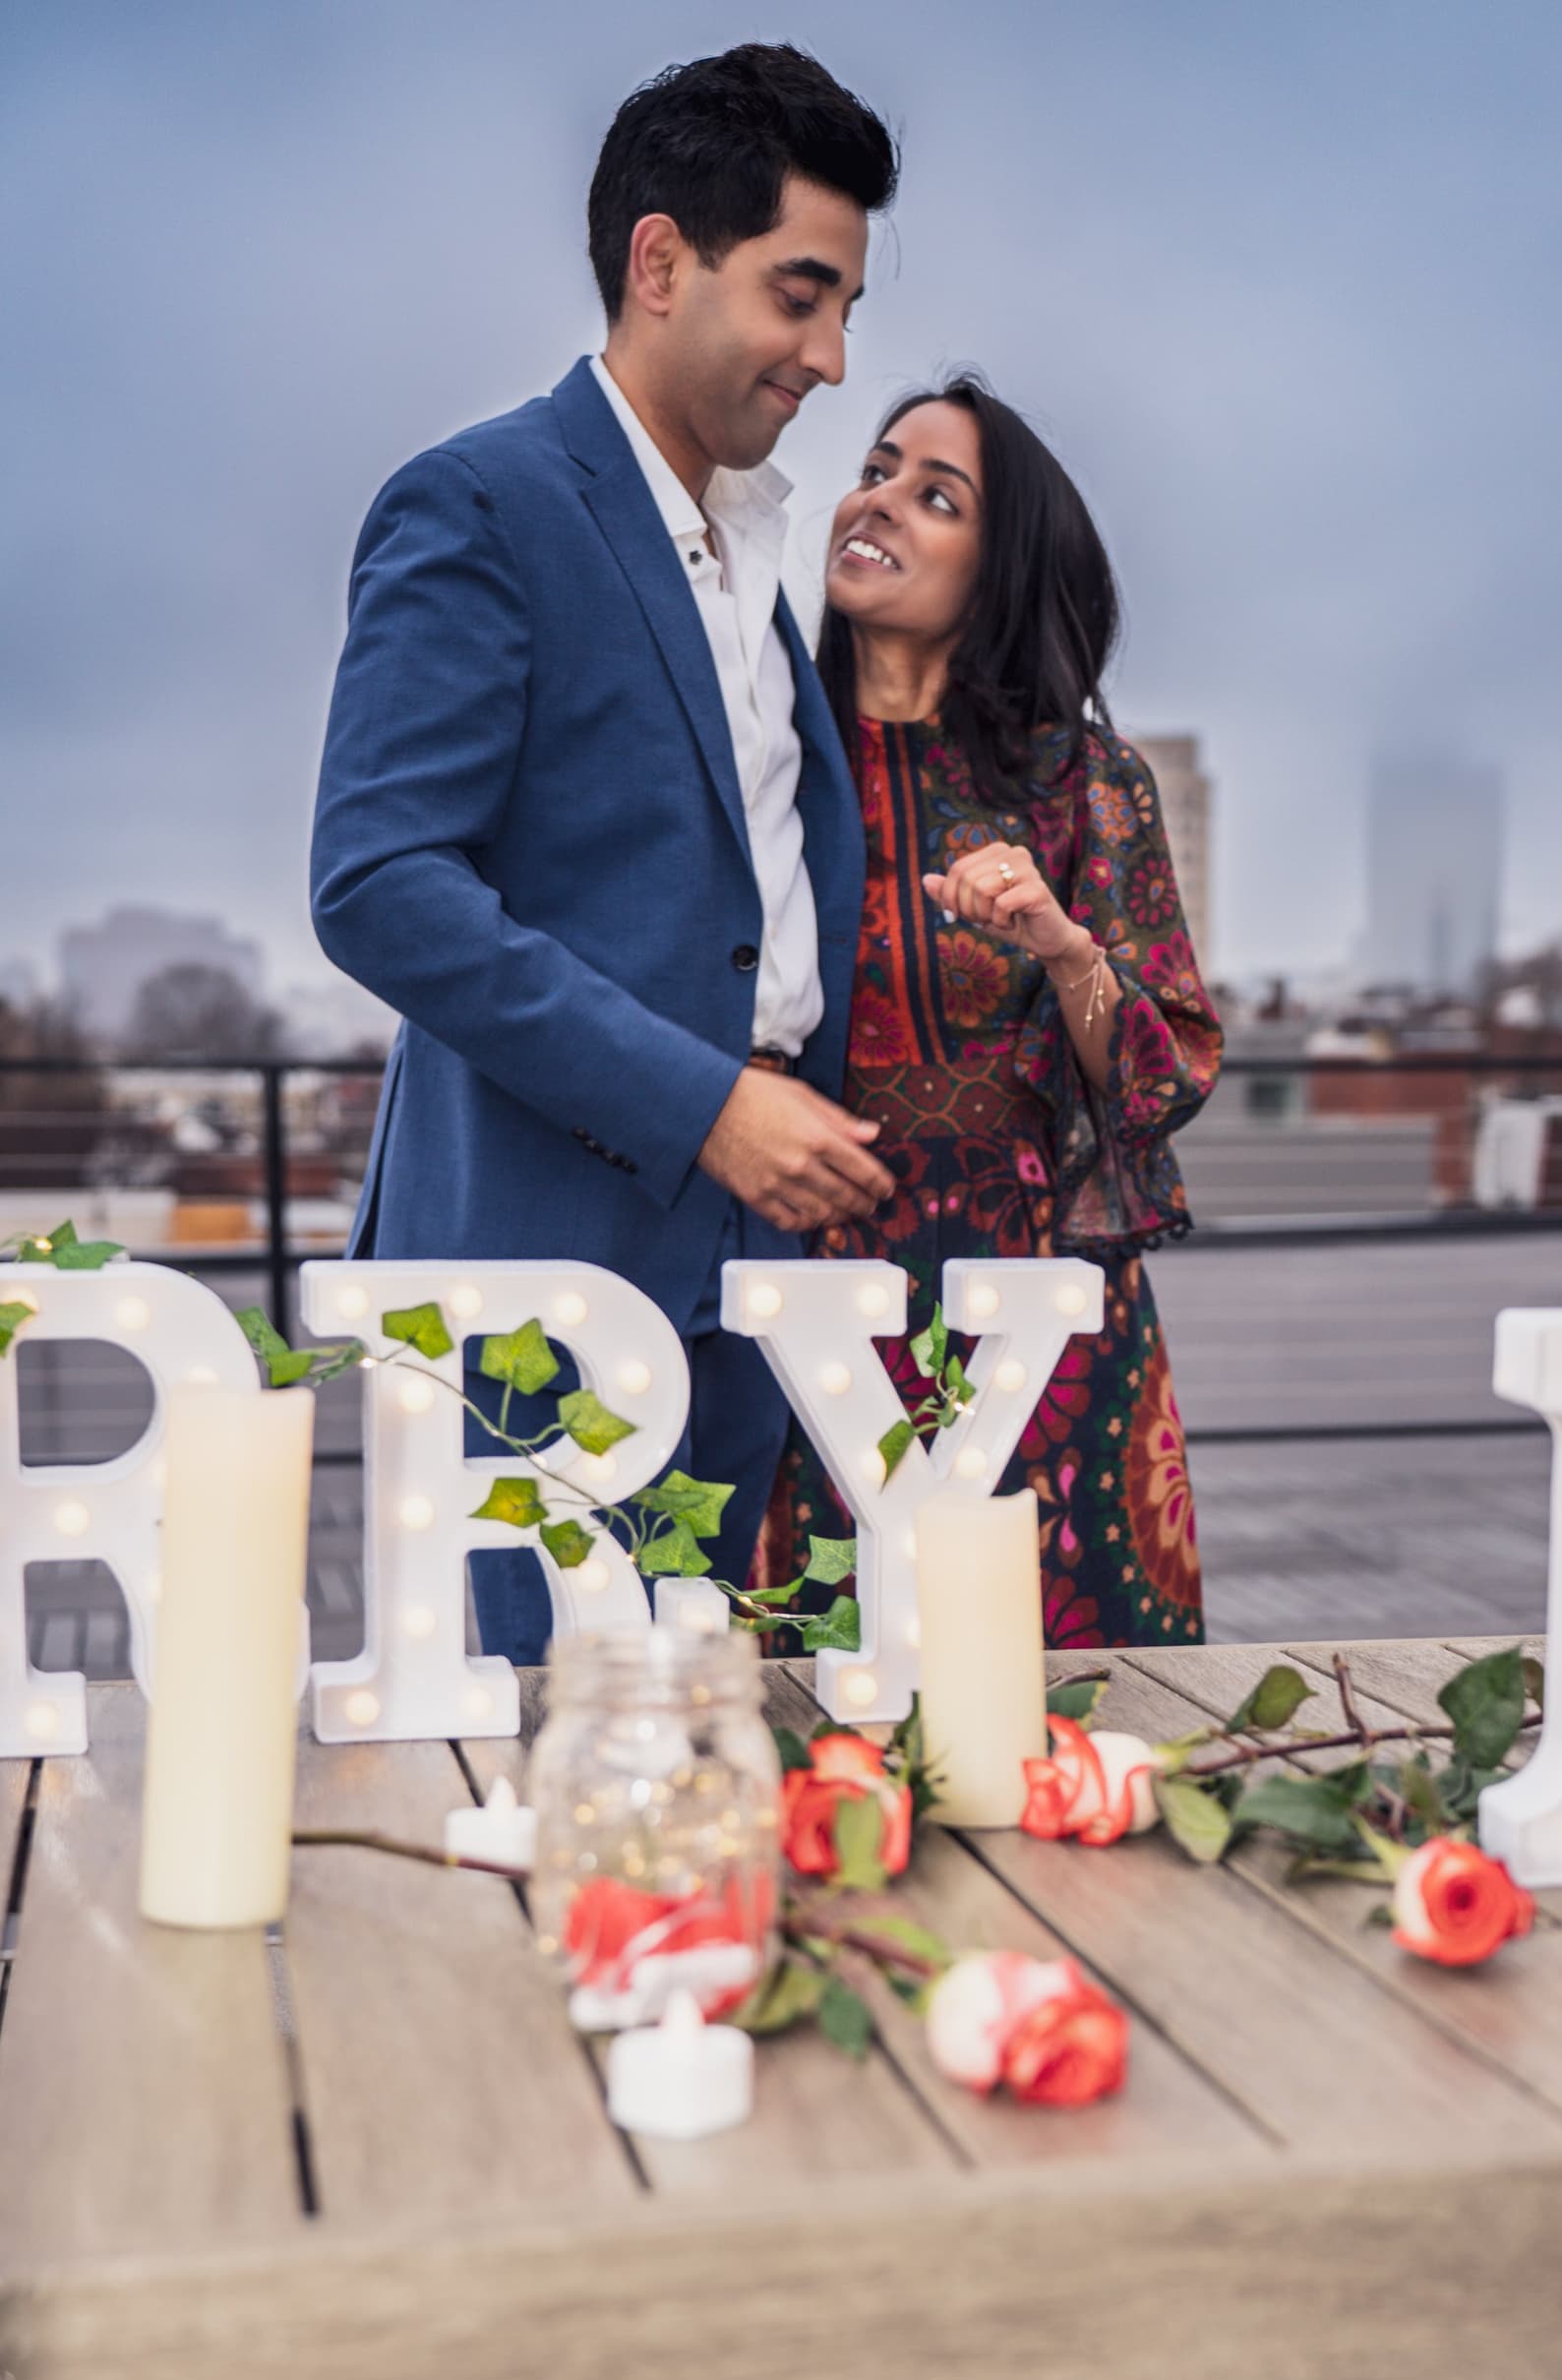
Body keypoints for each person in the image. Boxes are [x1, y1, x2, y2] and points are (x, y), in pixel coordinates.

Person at [311, 47, 899, 1653]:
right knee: (530, 1766)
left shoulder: (748, 565)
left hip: (751, 1262)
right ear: (660, 262)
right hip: (543, 1268)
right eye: (799, 295)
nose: (833, 356)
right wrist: (706, 1106)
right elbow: (380, 885)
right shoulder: (483, 504)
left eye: (844, 305)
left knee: (711, 1733)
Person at [762, 378, 1221, 1642]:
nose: (877, 501)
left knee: (1058, 1719)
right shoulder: (758, 759)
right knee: (819, 1712)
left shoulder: (1082, 782)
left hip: (1036, 1320)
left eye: (935, 495)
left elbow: (1161, 1076)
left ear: (1000, 566)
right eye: (877, 466)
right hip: (810, 1309)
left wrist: (1060, 944)